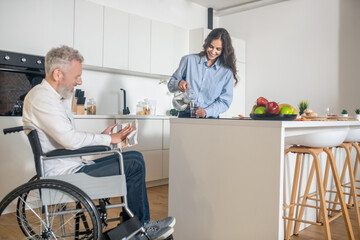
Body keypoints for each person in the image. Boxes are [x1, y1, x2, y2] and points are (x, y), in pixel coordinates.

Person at [22, 45, 175, 240]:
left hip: (74, 166)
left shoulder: (55, 98)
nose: (80, 81)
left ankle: (133, 224)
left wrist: (103, 137)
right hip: (65, 177)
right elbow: (69, 139)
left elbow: (69, 138)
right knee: (134, 163)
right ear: (58, 74)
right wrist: (108, 139)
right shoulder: (41, 98)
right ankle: (141, 228)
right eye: (76, 76)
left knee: (134, 157)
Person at [168, 28, 238, 118]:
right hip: (186, 115)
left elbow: (225, 102)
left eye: (218, 49)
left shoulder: (226, 72)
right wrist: (178, 83)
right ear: (206, 43)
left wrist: (207, 111)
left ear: (223, 50)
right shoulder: (188, 60)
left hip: (210, 119)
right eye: (211, 47)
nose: (213, 52)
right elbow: (170, 84)